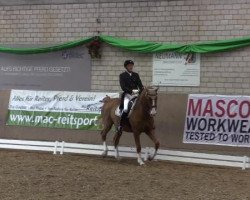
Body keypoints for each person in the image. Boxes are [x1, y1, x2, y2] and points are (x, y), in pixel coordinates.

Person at [117, 60, 144, 132]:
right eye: (129, 66)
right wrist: (131, 91)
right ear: (126, 67)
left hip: (136, 95)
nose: (131, 67)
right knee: (126, 109)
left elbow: (140, 85)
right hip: (127, 95)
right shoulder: (122, 76)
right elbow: (123, 87)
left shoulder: (136, 75)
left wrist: (140, 90)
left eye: (131, 65)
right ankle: (121, 125)